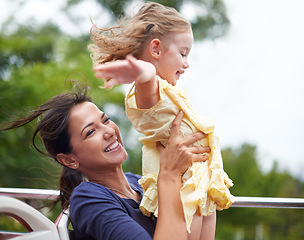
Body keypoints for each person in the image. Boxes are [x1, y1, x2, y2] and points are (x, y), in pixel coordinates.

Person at [90, 2, 234, 238]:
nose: (186, 63)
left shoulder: (166, 90)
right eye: (183, 53)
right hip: (181, 185)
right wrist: (138, 71)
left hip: (199, 180)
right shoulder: (150, 90)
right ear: (155, 49)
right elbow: (146, 76)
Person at [0, 85, 211, 239]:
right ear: (69, 160)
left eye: (106, 120)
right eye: (90, 131)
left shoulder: (142, 184)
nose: (109, 131)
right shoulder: (88, 199)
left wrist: (201, 179)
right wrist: (170, 175)